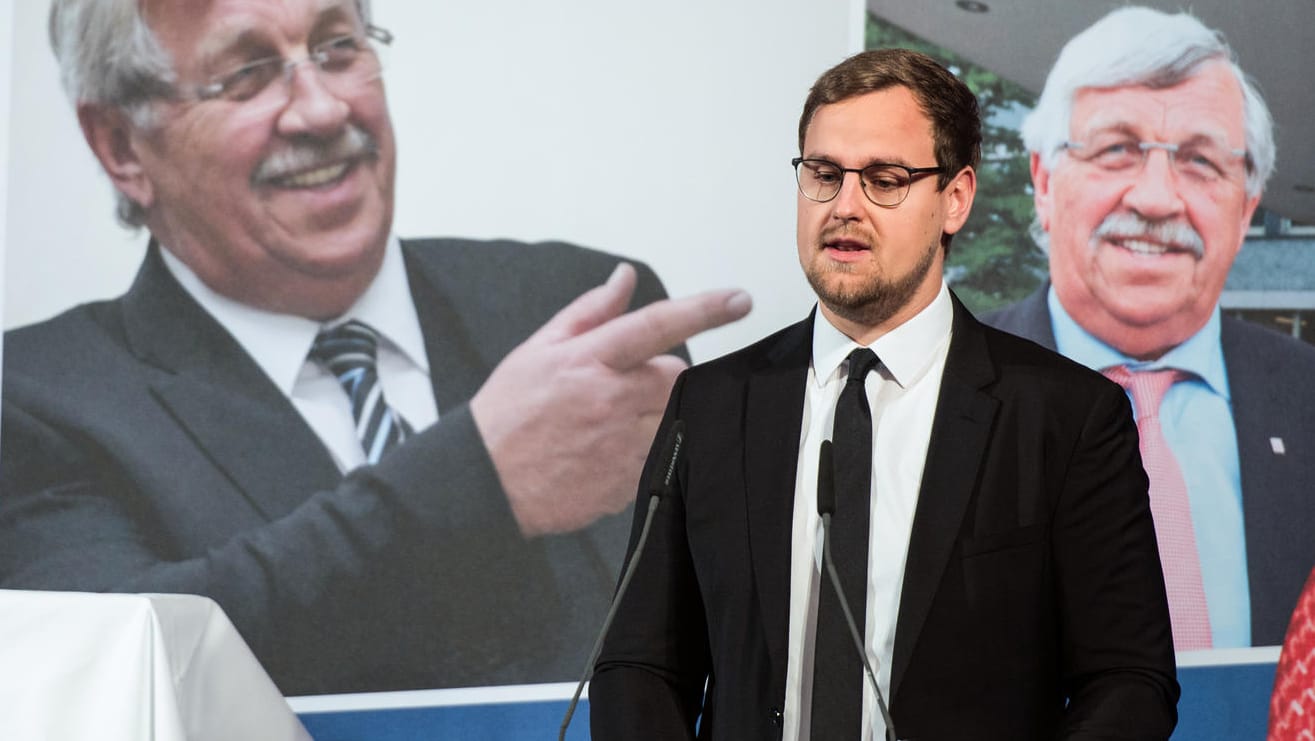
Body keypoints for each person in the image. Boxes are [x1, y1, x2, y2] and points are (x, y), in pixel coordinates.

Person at [0, 0, 751, 696]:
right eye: (248, 73)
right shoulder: (37, 398)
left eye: (336, 47)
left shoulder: (581, 307)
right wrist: (478, 478)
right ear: (121, 144)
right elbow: (119, 670)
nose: (325, 110)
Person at [590, 48, 1177, 740]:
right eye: (823, 174)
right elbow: (639, 663)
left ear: (954, 199)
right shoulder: (712, 403)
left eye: (884, 179)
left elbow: (1127, 681)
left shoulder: (1065, 417)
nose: (844, 206)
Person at [984, 6, 1315, 649]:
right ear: (1044, 182)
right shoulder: (933, 390)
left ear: (1246, 210)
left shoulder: (1307, 397)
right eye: (1116, 150)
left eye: (1200, 162)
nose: (1157, 198)